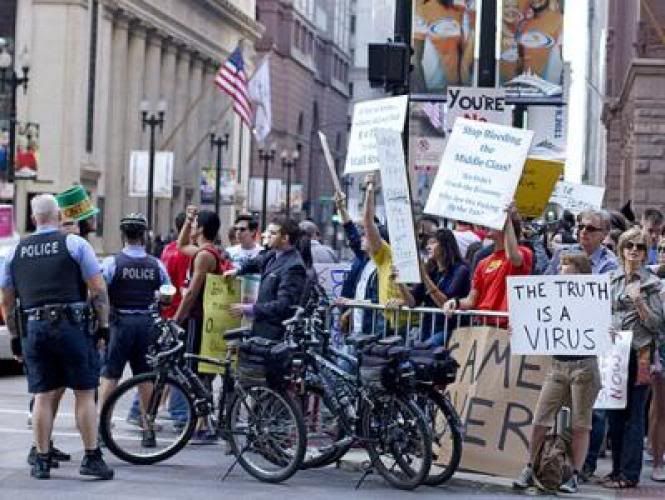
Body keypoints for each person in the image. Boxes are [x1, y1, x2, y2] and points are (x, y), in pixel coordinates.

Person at [0, 194, 113, 480]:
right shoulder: (74, 244)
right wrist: (103, 326)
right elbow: (98, 289)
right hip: (72, 326)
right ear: (58, 214)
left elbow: (7, 300)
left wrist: (15, 337)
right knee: (85, 392)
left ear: (33, 218)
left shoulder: (15, 251)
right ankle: (91, 457)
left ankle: (41, 458)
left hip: (34, 328)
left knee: (42, 394)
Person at [513, 253, 602, 494]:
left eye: (569, 274)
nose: (563, 281)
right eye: (561, 274)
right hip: (557, 366)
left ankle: (573, 475)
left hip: (584, 367)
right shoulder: (551, 300)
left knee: (580, 424)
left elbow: (604, 326)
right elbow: (538, 324)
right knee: (540, 418)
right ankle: (530, 467)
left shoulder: (594, 302)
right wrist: (521, 328)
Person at [98, 213, 171, 448]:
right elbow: (168, 292)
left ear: (123, 235)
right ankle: (148, 427)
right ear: (143, 235)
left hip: (120, 324)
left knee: (110, 376)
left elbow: (99, 292)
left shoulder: (112, 263)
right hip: (147, 324)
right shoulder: (155, 264)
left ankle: (102, 426)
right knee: (145, 377)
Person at [602, 228, 664, 489]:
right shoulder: (611, 279)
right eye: (629, 246)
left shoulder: (652, 283)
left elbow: (658, 324)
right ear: (622, 249)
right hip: (614, 353)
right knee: (614, 412)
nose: (634, 251)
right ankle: (616, 470)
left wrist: (639, 302)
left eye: (640, 246)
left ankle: (630, 473)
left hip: (640, 353)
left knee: (635, 414)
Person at [173, 206, 232, 443]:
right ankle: (202, 421)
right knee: (198, 371)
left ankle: (202, 422)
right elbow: (181, 245)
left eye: (196, 224)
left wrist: (177, 319)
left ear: (203, 228)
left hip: (198, 319)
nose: (192, 228)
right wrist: (188, 220)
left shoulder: (205, 256)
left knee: (196, 371)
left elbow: (191, 294)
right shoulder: (205, 251)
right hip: (200, 318)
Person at [443, 203, 532, 326]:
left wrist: (507, 221)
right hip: (483, 327)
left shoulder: (524, 253)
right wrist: (455, 302)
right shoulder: (483, 262)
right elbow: (471, 300)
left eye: (494, 221)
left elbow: (512, 256)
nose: (488, 224)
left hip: (507, 328)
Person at [226, 217, 306, 341]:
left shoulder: (294, 266)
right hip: (260, 329)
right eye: (267, 232)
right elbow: (256, 262)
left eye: (272, 233)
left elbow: (284, 305)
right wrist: (238, 271)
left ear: (285, 238)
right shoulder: (272, 254)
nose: (265, 235)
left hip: (274, 335)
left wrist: (250, 308)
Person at [399, 229, 470, 345]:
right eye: (427, 243)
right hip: (427, 327)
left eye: (433, 242)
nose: (428, 247)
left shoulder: (461, 270)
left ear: (445, 245)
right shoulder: (431, 271)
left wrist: (424, 276)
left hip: (449, 330)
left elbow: (444, 303)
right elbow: (412, 302)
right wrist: (399, 282)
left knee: (424, 352)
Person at [546, 209, 618, 276]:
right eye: (581, 227)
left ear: (604, 234)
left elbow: (604, 287)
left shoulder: (609, 263)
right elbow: (546, 281)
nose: (584, 231)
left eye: (590, 229)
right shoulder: (561, 252)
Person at [649, 236, 665, 481]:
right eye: (661, 248)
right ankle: (658, 461)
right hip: (661, 348)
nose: (662, 253)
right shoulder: (652, 280)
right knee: (660, 406)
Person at [160, 212, 191, 319]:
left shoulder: (167, 248)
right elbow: (185, 290)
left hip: (166, 309)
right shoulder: (185, 253)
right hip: (179, 313)